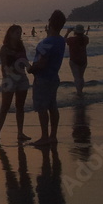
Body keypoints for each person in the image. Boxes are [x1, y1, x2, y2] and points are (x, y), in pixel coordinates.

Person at [28, 9, 66, 146]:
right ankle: (52, 136)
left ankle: (44, 137)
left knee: (42, 108)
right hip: (54, 77)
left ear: (50, 23)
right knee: (53, 107)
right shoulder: (61, 41)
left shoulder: (46, 42)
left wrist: (32, 68)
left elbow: (42, 62)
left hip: (43, 78)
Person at [0, 24, 31, 142]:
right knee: (5, 107)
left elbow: (25, 60)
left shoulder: (21, 47)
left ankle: (20, 132)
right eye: (17, 33)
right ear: (10, 34)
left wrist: (30, 68)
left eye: (20, 33)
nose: (19, 35)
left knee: (20, 107)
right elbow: (4, 66)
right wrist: (10, 75)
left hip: (22, 78)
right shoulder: (4, 49)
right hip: (9, 79)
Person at [64, 24, 89, 97]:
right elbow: (84, 37)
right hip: (83, 60)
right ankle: (80, 91)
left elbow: (63, 40)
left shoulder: (72, 39)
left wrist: (67, 32)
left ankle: (79, 92)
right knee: (81, 77)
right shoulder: (86, 39)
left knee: (76, 77)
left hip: (74, 60)